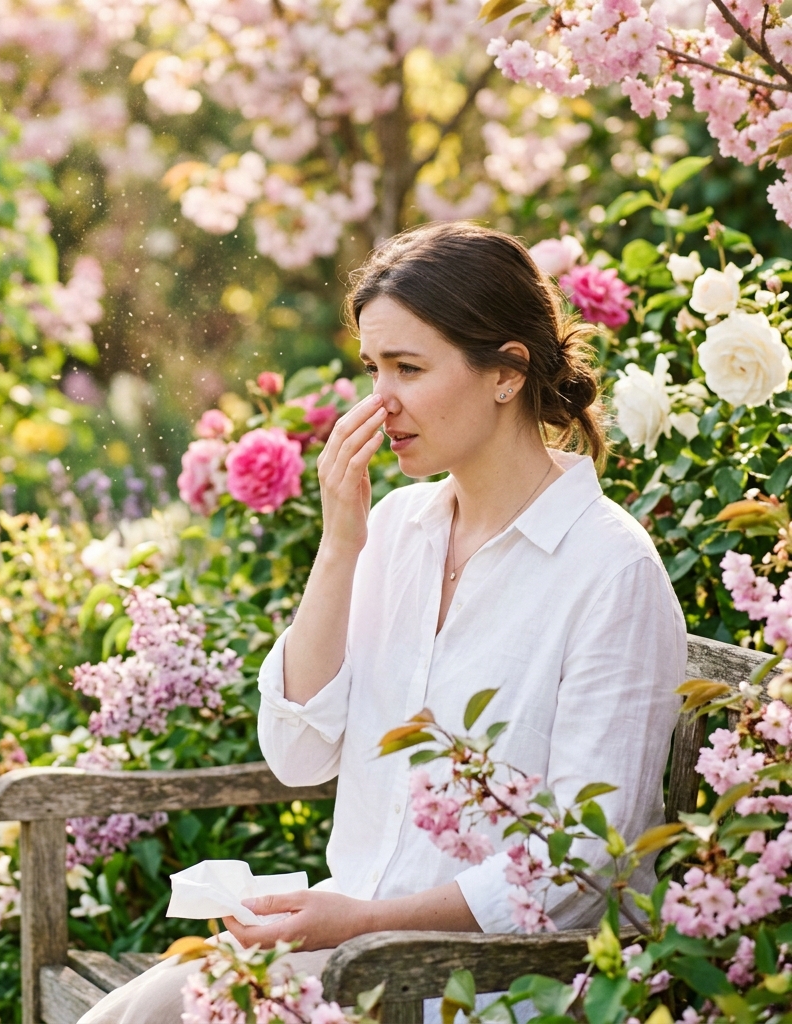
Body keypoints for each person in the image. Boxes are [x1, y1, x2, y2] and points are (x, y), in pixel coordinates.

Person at [78, 222, 685, 1024]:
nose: (380, 400)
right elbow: (297, 753)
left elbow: (575, 872)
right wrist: (340, 543)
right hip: (347, 950)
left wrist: (365, 922)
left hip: (488, 984)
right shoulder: (397, 529)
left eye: (409, 367)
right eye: (373, 368)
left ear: (506, 374)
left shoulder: (611, 574)